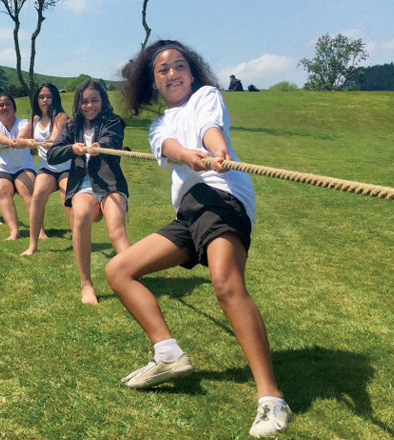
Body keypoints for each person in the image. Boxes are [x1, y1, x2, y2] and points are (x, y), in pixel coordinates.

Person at [108, 40, 291, 437]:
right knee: (119, 269)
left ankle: (272, 398)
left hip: (222, 195)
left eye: (179, 66)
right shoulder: (158, 125)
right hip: (190, 209)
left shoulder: (207, 95)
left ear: (192, 74)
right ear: (152, 82)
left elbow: (211, 129)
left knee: (225, 283)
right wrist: (188, 156)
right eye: (163, 70)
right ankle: (167, 353)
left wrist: (216, 151)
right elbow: (170, 146)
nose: (172, 74)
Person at [47, 80, 131, 305]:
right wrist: (70, 148)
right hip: (82, 184)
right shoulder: (71, 126)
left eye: (95, 100)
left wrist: (97, 146)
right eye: (84, 101)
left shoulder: (114, 122)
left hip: (110, 183)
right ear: (78, 104)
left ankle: (133, 275)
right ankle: (86, 284)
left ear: (102, 101)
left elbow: (111, 140)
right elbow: (52, 154)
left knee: (115, 229)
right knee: (81, 215)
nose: (89, 105)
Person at [19, 83, 73, 256]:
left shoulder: (61, 116)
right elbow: (20, 138)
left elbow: (54, 137)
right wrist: (27, 141)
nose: (45, 100)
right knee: (37, 197)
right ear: (37, 100)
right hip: (46, 169)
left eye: (49, 96)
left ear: (55, 98)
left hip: (66, 167)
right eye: (41, 97)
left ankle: (78, 240)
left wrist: (46, 142)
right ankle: (32, 245)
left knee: (68, 200)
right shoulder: (35, 119)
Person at [0, 93, 39, 241]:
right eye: (1, 105)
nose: (4, 107)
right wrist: (11, 142)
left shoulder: (22, 123)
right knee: (2, 190)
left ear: (14, 106)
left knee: (26, 189)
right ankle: (14, 231)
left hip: (24, 165)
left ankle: (39, 231)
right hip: (2, 167)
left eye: (8, 104)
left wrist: (20, 140)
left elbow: (23, 134)